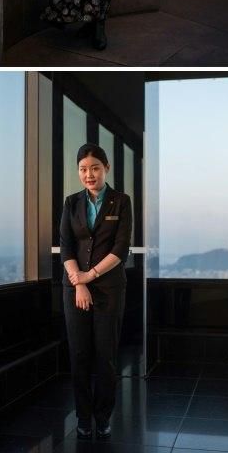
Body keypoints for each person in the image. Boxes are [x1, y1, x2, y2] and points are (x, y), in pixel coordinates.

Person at [60, 142, 133, 439]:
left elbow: (121, 249)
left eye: (95, 168)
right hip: (75, 287)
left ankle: (103, 416)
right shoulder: (71, 202)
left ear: (106, 169)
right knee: (79, 354)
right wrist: (78, 281)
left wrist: (88, 277)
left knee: (105, 355)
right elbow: (66, 245)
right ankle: (83, 415)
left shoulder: (121, 201)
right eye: (83, 169)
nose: (89, 174)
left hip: (108, 288)